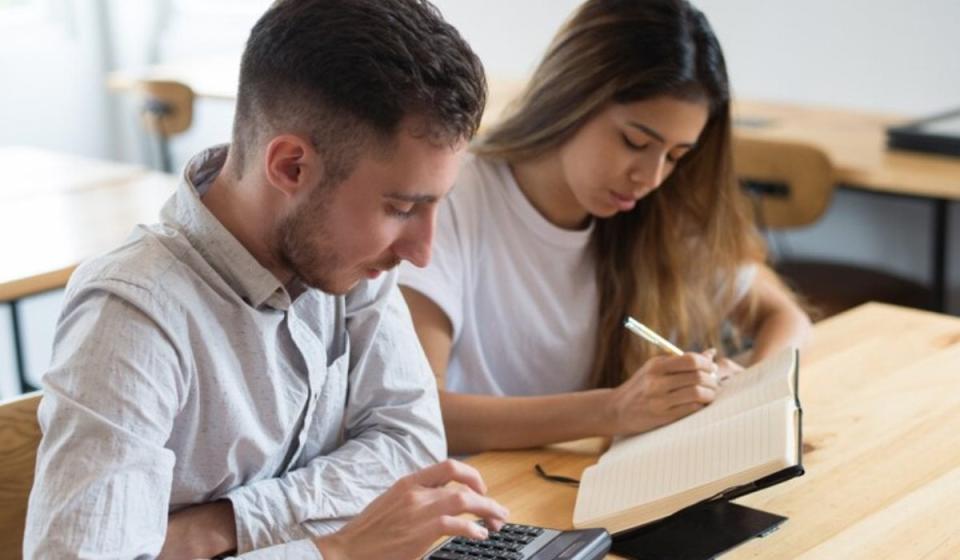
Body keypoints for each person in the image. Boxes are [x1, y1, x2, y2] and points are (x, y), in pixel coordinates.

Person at [23, 0, 508, 558]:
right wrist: (337, 550)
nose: (422, 251)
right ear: (291, 168)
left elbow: (414, 451)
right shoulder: (134, 315)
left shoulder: (350, 261)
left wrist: (218, 527)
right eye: (401, 207)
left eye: (433, 205)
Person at [399, 0, 812, 455]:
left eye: (676, 156)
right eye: (635, 142)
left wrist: (749, 384)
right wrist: (612, 410)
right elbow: (421, 412)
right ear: (573, 97)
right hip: (469, 495)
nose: (651, 177)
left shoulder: (650, 213)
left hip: (562, 486)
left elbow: (787, 318)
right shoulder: (455, 198)